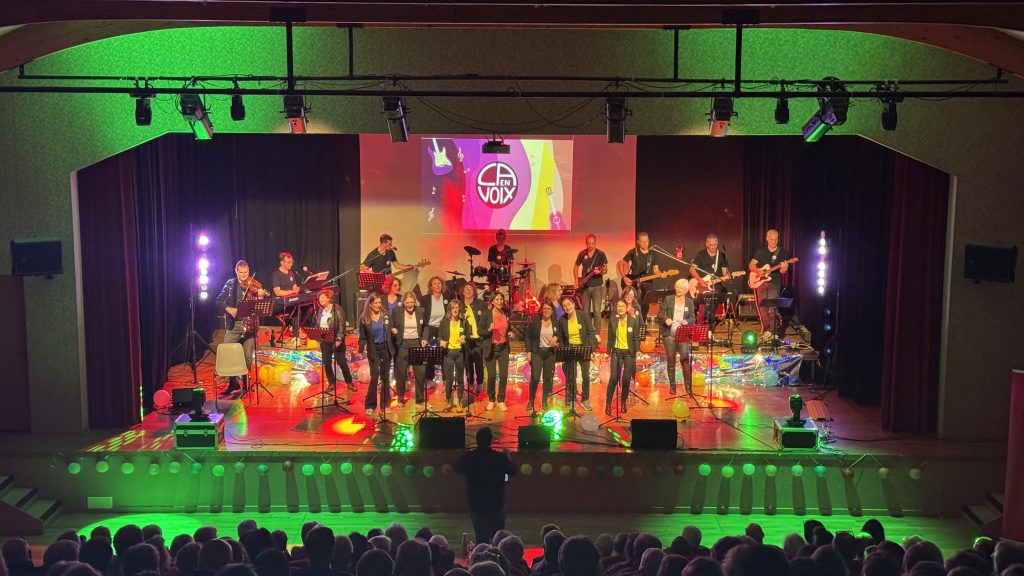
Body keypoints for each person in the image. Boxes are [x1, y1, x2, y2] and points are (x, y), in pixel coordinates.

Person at [455, 427, 516, 548]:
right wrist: (507, 457)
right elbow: (513, 471)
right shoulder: (500, 458)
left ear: (477, 440)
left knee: (481, 537)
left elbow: (458, 468)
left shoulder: (469, 457)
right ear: (491, 441)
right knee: (498, 538)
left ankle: (482, 555)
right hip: (496, 503)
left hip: (476, 503)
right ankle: (497, 556)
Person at [215, 259, 269, 396]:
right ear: (236, 271)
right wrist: (229, 308)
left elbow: (261, 305)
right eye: (241, 273)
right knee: (228, 352)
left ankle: (246, 384)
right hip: (234, 325)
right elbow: (219, 300)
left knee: (247, 356)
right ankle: (233, 383)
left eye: (246, 272)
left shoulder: (255, 285)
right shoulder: (230, 284)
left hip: (250, 325)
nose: (244, 276)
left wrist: (261, 296)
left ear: (248, 271)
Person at [748, 229, 792, 340]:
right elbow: (751, 265)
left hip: (774, 282)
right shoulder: (760, 251)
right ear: (767, 238)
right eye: (771, 239)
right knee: (762, 307)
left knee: (773, 307)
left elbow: (783, 271)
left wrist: (784, 268)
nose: (774, 242)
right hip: (761, 282)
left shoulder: (782, 253)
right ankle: (767, 330)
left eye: (776, 239)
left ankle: (774, 332)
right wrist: (758, 272)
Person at [657, 279, 697, 395]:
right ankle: (672, 387)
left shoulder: (689, 302)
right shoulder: (668, 299)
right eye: (677, 287)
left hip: (683, 334)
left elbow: (693, 318)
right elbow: (660, 314)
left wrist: (687, 321)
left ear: (686, 290)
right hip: (669, 335)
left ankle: (688, 387)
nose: (678, 289)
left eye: (681, 288)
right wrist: (666, 319)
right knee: (671, 361)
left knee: (685, 360)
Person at [357, 293, 393, 419]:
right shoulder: (365, 318)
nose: (378, 305)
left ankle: (385, 404)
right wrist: (361, 348)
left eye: (379, 303)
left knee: (385, 377)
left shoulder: (386, 315)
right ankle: (370, 405)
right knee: (374, 377)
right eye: (376, 303)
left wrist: (394, 331)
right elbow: (363, 336)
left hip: (386, 348)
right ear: (370, 304)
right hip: (374, 350)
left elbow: (392, 329)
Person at [390, 291, 428, 408]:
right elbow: (390, 324)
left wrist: (425, 338)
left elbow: (426, 326)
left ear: (415, 302)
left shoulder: (421, 311)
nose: (410, 305)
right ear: (403, 302)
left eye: (412, 302)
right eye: (407, 302)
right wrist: (393, 329)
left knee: (420, 373)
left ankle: (420, 399)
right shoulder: (397, 311)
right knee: (401, 373)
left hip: (417, 343)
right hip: (403, 344)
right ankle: (400, 399)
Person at [314, 288, 356, 394]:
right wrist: (318, 340)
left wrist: (339, 338)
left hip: (336, 339)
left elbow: (341, 324)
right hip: (325, 340)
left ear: (329, 298)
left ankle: (349, 383)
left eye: (323, 297)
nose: (320, 299)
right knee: (326, 362)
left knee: (342, 362)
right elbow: (318, 325)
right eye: (320, 297)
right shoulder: (320, 310)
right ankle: (331, 383)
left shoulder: (337, 309)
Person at [558, 296, 596, 411]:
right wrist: (563, 351)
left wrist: (591, 349)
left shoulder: (583, 315)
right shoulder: (562, 320)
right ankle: (572, 399)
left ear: (573, 304)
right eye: (564, 306)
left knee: (586, 376)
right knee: (571, 376)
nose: (567, 307)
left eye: (568, 304)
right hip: (570, 349)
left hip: (583, 349)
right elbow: (561, 337)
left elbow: (591, 332)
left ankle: (585, 399)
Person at [525, 301, 563, 413]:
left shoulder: (555, 322)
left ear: (552, 311)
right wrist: (528, 352)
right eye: (545, 308)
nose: (547, 311)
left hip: (550, 354)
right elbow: (527, 337)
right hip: (537, 353)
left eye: (549, 309)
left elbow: (560, 335)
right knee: (535, 378)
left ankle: (544, 401)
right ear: (542, 310)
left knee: (547, 378)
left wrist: (556, 339)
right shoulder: (535, 321)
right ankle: (531, 400)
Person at [606, 298, 640, 415]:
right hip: (616, 352)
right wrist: (607, 352)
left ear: (627, 308)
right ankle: (608, 404)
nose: (620, 308)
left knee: (626, 379)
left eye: (622, 306)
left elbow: (636, 338)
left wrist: (637, 350)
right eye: (618, 306)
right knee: (613, 378)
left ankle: (623, 402)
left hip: (629, 354)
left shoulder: (633, 321)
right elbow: (610, 338)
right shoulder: (613, 321)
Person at [689, 234, 733, 325]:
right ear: (706, 244)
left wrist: (726, 277)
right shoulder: (701, 254)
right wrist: (700, 280)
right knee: (704, 308)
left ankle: (710, 328)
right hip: (702, 285)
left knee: (712, 308)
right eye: (710, 245)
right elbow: (692, 270)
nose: (713, 247)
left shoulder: (722, 255)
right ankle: (702, 326)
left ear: (717, 243)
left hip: (716, 286)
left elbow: (725, 273)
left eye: (715, 245)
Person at [616, 231, 661, 319]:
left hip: (648, 282)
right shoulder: (633, 252)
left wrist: (661, 274)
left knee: (645, 305)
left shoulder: (653, 253)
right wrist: (624, 277)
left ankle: (642, 324)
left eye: (646, 241)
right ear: (638, 242)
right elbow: (621, 263)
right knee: (634, 304)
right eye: (642, 241)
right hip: (634, 282)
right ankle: (632, 322)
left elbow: (656, 270)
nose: (645, 243)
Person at [438, 299, 471, 412]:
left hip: (460, 352)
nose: (455, 310)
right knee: (449, 380)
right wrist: (441, 341)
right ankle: (448, 402)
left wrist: (464, 338)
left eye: (457, 307)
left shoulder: (464, 322)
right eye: (453, 308)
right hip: (448, 353)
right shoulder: (444, 322)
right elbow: (439, 337)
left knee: (460, 379)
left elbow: (468, 336)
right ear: (449, 310)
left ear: (459, 309)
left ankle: (459, 402)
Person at [481, 292, 511, 411]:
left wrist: (510, 333)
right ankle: (491, 399)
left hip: (503, 348)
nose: (499, 301)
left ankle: (501, 400)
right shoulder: (486, 314)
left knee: (503, 375)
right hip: (491, 348)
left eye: (501, 299)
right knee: (492, 376)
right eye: (497, 299)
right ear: (492, 301)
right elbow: (480, 331)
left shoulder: (506, 313)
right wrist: (489, 329)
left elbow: (508, 328)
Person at [459, 282, 488, 398]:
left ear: (474, 291)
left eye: (470, 288)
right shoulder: (459, 305)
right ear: (462, 291)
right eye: (466, 288)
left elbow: (486, 319)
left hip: (478, 339)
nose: (468, 290)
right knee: (468, 362)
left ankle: (480, 382)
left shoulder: (480, 304)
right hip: (465, 339)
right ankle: (470, 382)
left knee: (479, 362)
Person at [573, 234, 608, 321]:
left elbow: (605, 270)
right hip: (585, 286)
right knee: (585, 311)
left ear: (595, 243)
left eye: (592, 243)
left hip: (597, 286)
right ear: (585, 243)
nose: (590, 245)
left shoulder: (600, 254)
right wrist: (576, 281)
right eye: (588, 243)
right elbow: (576, 267)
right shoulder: (582, 253)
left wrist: (600, 272)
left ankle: (597, 330)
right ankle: (587, 329)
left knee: (597, 311)